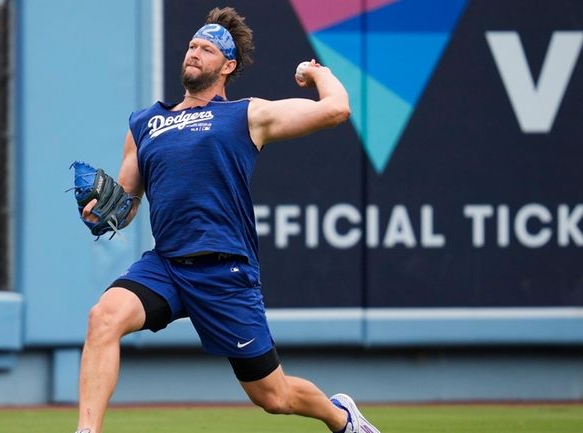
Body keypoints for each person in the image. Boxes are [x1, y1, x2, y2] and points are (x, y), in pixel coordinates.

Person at [75, 7, 380, 433]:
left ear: (228, 64)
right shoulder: (146, 123)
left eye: (207, 48)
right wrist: (102, 213)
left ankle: (342, 417)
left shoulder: (245, 115)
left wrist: (317, 71)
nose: (194, 52)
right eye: (192, 45)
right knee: (103, 317)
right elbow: (125, 207)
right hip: (166, 265)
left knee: (274, 397)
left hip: (224, 270)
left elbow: (336, 110)